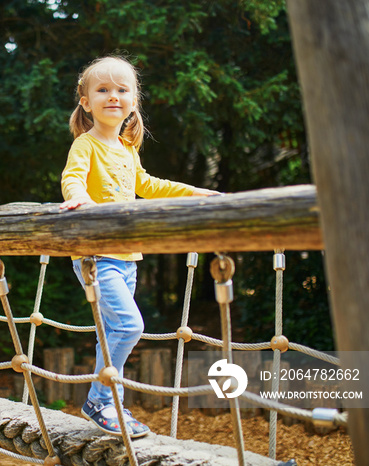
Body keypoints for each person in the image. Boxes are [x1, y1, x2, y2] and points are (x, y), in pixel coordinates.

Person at [60, 56, 218, 438]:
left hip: (127, 257)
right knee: (130, 325)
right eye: (102, 90)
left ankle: (108, 401)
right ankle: (100, 400)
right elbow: (73, 177)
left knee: (111, 333)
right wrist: (79, 199)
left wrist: (193, 192)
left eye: (122, 90)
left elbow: (148, 185)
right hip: (96, 257)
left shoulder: (127, 149)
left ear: (133, 102)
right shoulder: (87, 144)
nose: (112, 96)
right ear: (85, 101)